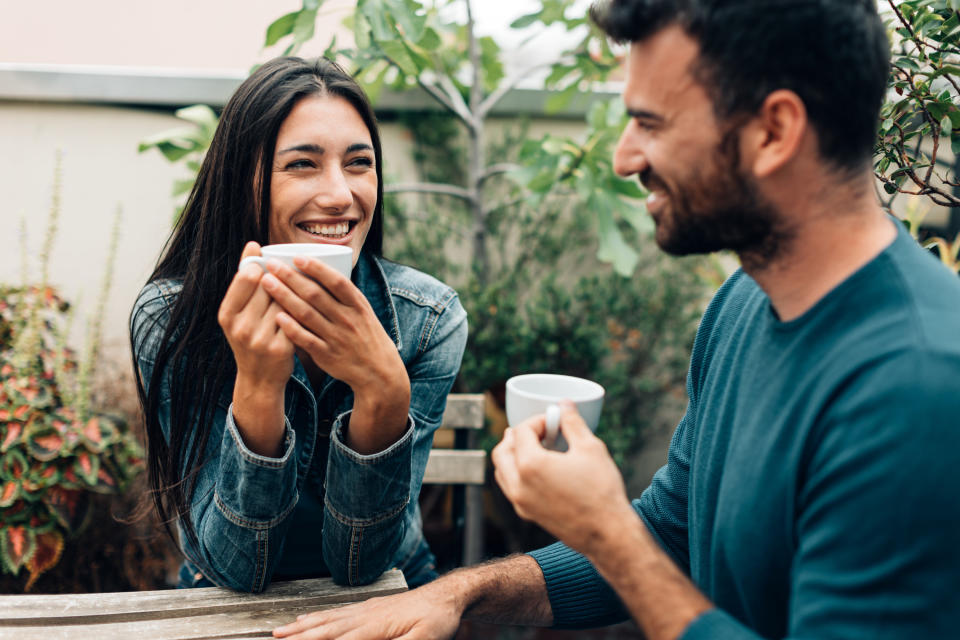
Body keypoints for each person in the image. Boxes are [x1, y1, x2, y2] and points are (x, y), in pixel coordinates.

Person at [272, 0, 960, 638]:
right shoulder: (747, 302)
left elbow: (638, 551)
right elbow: (671, 533)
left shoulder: (914, 388)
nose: (624, 157)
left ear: (774, 131)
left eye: (650, 123)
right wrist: (455, 595)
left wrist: (608, 533)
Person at [130, 56, 467, 592]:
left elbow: (361, 568)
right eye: (303, 164)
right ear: (244, 181)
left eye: (359, 163)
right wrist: (260, 388)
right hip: (221, 597)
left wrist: (382, 393)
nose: (340, 195)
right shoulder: (170, 321)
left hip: (391, 585)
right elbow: (235, 567)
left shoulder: (426, 320)